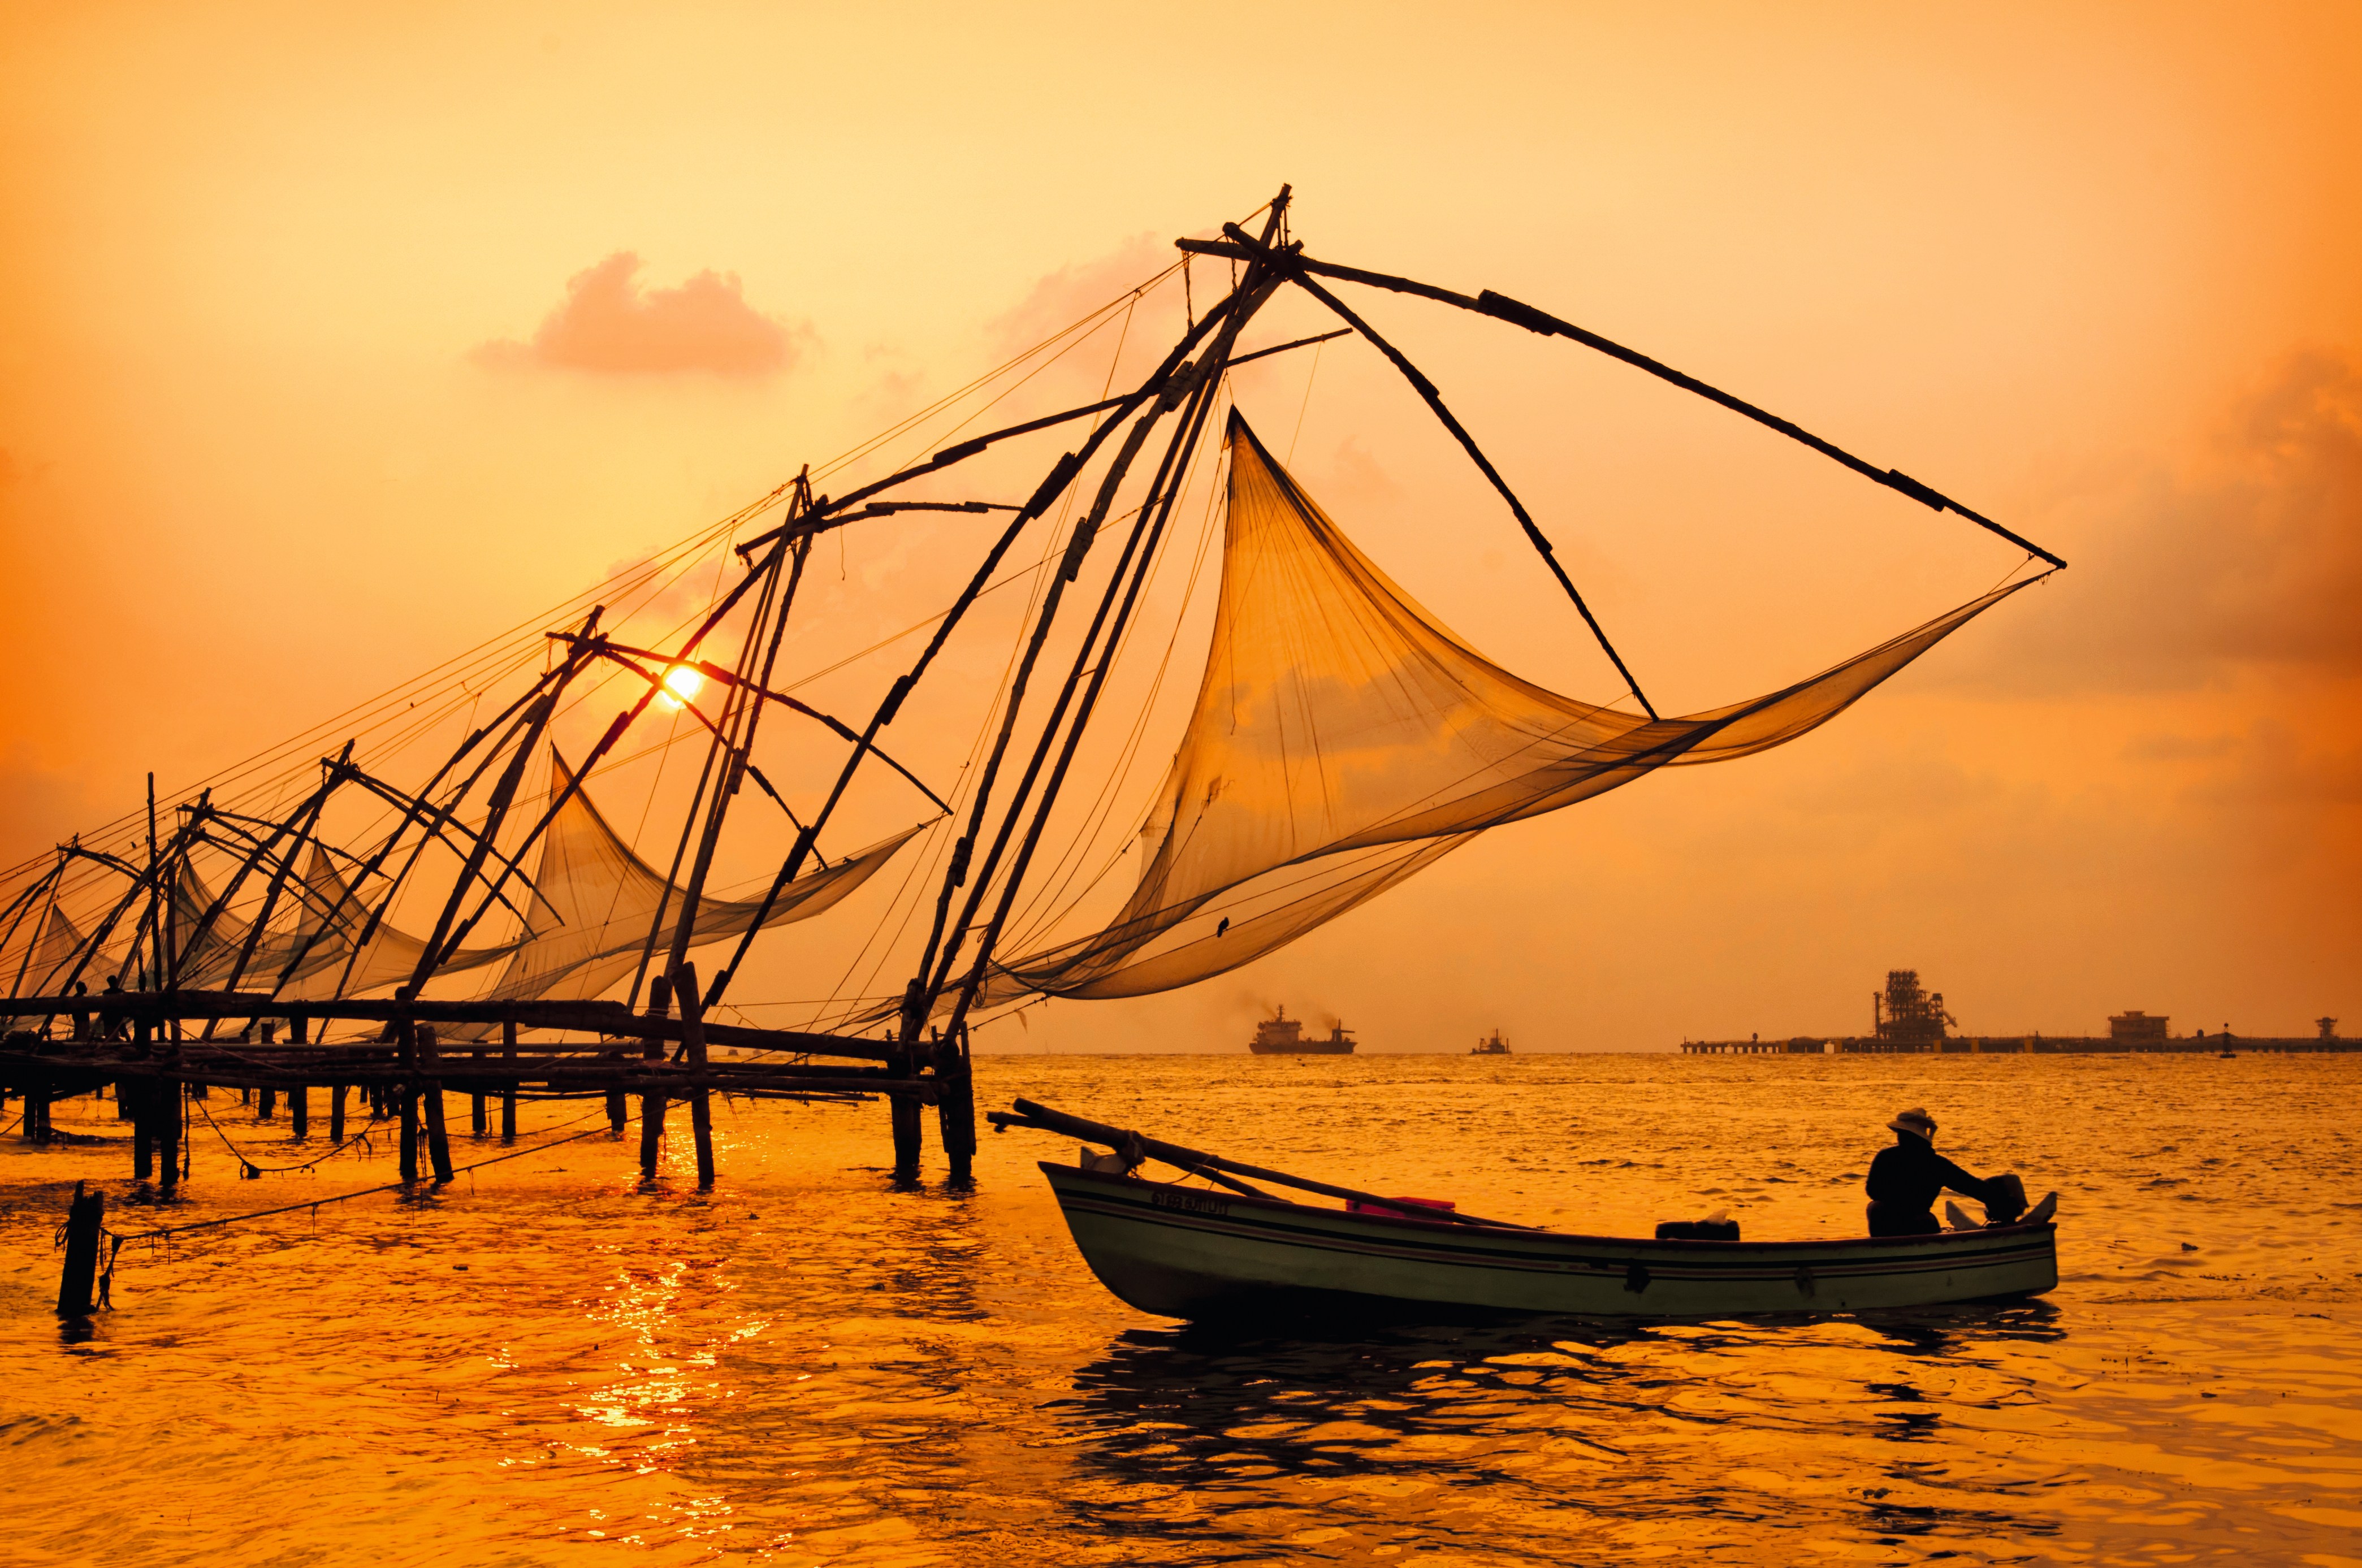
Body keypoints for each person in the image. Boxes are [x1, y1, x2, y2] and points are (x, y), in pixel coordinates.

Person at [1864, 1108, 2023, 1236]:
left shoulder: (1886, 1157)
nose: (1899, 1138)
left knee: (1876, 1208)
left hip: (1886, 1224)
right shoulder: (1936, 1163)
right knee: (1919, 1219)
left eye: (1901, 1134)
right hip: (1920, 1224)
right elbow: (1972, 1186)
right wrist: (2003, 1203)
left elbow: (1872, 1191)